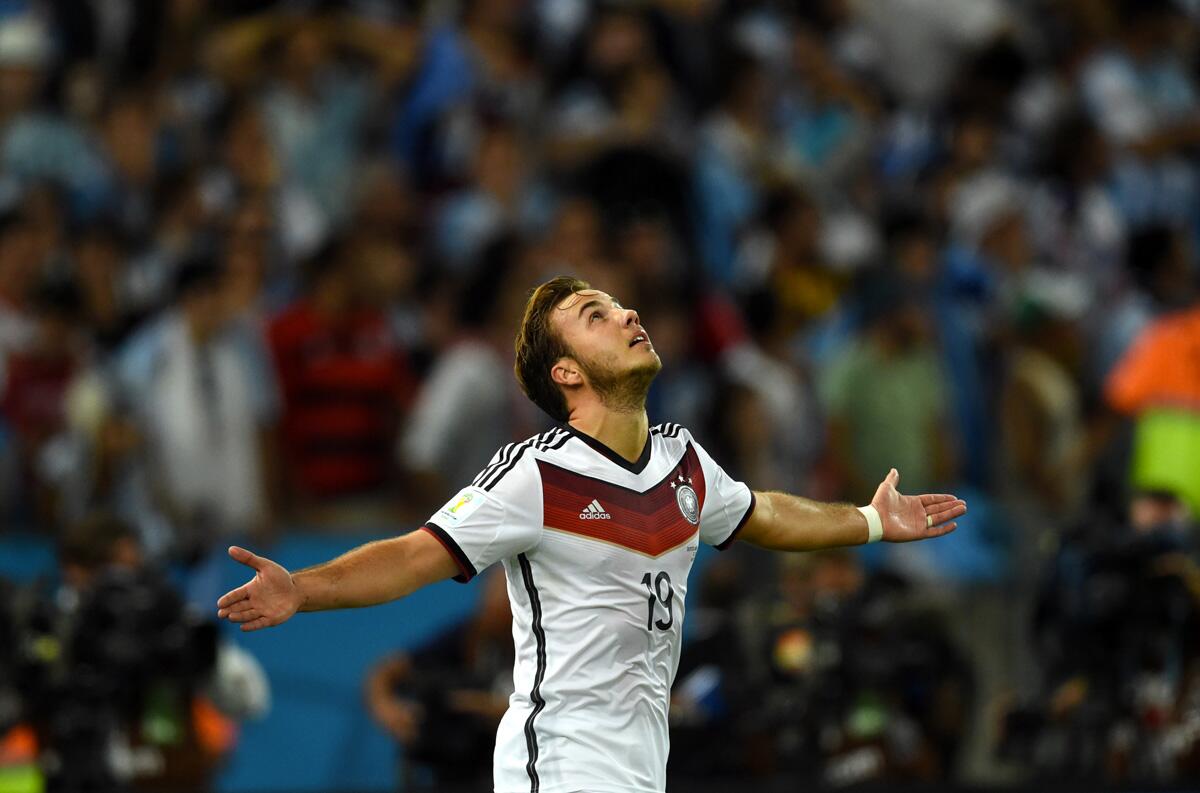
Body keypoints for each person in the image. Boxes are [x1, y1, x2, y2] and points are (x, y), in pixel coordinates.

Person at [217, 276, 966, 793]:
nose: (628, 314)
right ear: (568, 372)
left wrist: (871, 520)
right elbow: (415, 554)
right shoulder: (536, 474)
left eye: (619, 306)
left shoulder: (683, 462)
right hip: (561, 763)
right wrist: (301, 588)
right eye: (595, 315)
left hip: (641, 766)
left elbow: (764, 513)